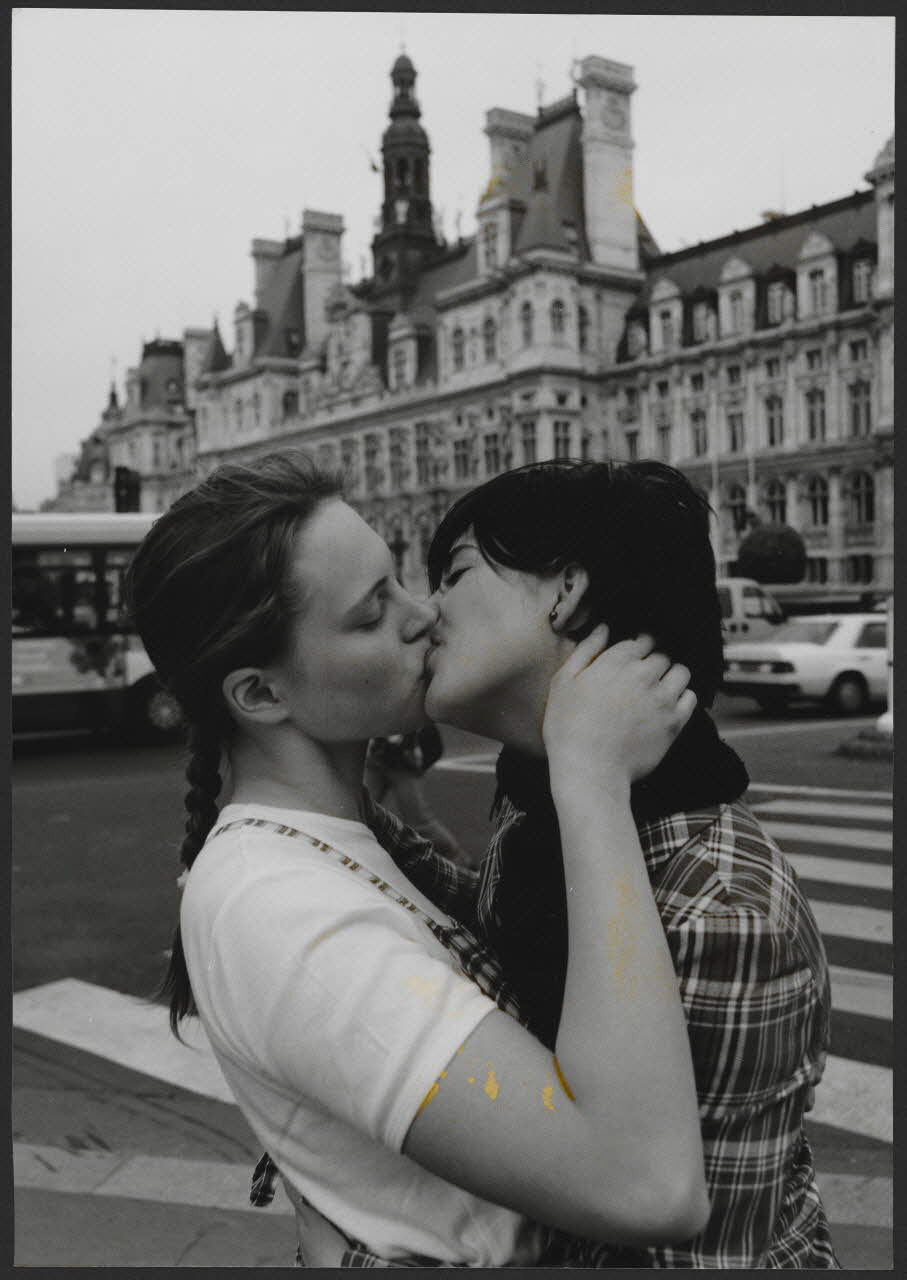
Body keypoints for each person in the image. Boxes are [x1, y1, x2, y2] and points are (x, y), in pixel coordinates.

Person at [125, 450, 708, 1268]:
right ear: (260, 695)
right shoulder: (280, 911)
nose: (422, 614)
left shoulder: (333, 837)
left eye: (401, 578)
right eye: (370, 616)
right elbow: (646, 1186)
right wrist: (590, 780)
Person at [416, 458, 838, 1269]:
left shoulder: (719, 907)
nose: (426, 609)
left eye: (455, 573)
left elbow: (686, 1250)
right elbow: (498, 938)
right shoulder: (544, 793)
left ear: (564, 588)